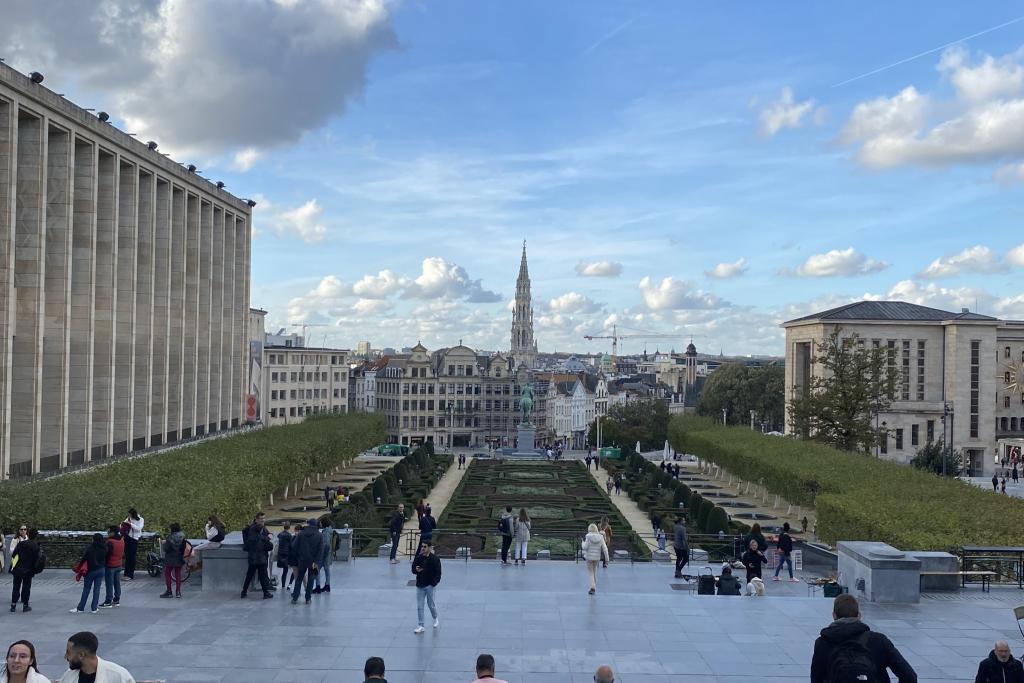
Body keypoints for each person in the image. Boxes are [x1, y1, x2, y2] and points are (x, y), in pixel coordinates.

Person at [810, 594, 917, 683]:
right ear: (859, 615)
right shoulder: (878, 640)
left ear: (834, 615)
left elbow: (816, 679)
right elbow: (910, 676)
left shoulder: (823, 642)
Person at [58, 631, 135, 683]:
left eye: (68, 653)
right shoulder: (69, 676)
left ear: (81, 655)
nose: (66, 657)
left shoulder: (118, 676)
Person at [71, 534, 107, 614]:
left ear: (93, 540)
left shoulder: (90, 548)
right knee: (97, 589)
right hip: (101, 570)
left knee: (86, 589)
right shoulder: (104, 548)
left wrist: (78, 567)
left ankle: (80, 608)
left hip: (91, 571)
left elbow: (84, 559)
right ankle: (94, 608)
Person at [241, 515, 274, 600]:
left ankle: (244, 592)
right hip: (261, 558)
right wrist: (268, 537)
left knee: (249, 575)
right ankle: (265, 593)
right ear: (256, 519)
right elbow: (269, 546)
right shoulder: (261, 536)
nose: (263, 520)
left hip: (252, 558)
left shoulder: (251, 532)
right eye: (261, 519)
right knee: (262, 576)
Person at [291, 518, 323, 605]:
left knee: (299, 579)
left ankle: (295, 598)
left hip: (302, 560)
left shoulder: (301, 534)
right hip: (313, 562)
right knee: (311, 580)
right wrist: (316, 561)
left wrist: (299, 555)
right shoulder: (319, 535)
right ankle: (308, 599)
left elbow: (294, 546)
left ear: (308, 524)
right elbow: (320, 550)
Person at [412, 540, 441, 634]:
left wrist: (433, 583)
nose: (423, 548)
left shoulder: (435, 559)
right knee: (420, 606)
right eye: (422, 546)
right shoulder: (418, 558)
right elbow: (413, 569)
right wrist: (416, 570)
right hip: (420, 585)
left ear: (429, 548)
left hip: (430, 586)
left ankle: (435, 617)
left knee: (431, 604)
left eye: (425, 547)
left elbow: (438, 573)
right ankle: (421, 625)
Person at [9, 528, 40, 613]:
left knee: (16, 586)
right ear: (36, 536)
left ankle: (13, 605)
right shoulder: (36, 546)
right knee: (26, 586)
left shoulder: (21, 543)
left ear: (28, 534)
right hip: (28, 569)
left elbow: (14, 554)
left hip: (18, 568)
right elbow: (37, 559)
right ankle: (25, 605)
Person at [159, 523, 187, 599]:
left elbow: (166, 549)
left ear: (172, 529)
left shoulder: (170, 538)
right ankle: (178, 592)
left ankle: (169, 591)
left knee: (167, 573)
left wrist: (165, 543)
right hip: (179, 557)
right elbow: (183, 548)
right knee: (178, 574)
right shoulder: (182, 537)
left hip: (170, 558)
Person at [581, 523, 609, 595]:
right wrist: (607, 559)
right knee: (595, 572)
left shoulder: (588, 537)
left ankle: (592, 588)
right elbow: (605, 549)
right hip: (597, 558)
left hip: (589, 558)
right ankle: (594, 586)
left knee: (591, 573)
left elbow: (585, 547)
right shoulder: (601, 537)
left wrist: (582, 543)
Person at [100, 526, 124, 609]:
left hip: (110, 565)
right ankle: (116, 600)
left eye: (109, 531)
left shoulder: (110, 542)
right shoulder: (121, 540)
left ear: (113, 532)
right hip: (119, 564)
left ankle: (108, 601)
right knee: (117, 583)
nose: (107, 533)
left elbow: (106, 554)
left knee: (109, 584)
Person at [120, 508, 143, 581]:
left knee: (132, 557)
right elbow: (122, 525)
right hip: (127, 538)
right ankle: (126, 573)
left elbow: (139, 528)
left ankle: (130, 574)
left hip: (134, 539)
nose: (129, 516)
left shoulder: (140, 519)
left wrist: (131, 524)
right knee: (127, 556)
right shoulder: (128, 518)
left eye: (130, 514)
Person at [313, 518, 333, 594]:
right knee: (327, 570)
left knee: (317, 569)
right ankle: (327, 585)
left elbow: (326, 545)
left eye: (321, 523)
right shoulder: (329, 531)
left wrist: (322, 554)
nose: (320, 524)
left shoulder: (325, 533)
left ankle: (318, 586)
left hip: (323, 555)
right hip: (327, 554)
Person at [276, 524, 294, 589]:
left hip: (280, 554)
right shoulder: (289, 536)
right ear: (289, 528)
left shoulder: (280, 534)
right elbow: (291, 545)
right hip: (286, 554)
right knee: (286, 570)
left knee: (284, 570)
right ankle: (286, 585)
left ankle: (283, 585)